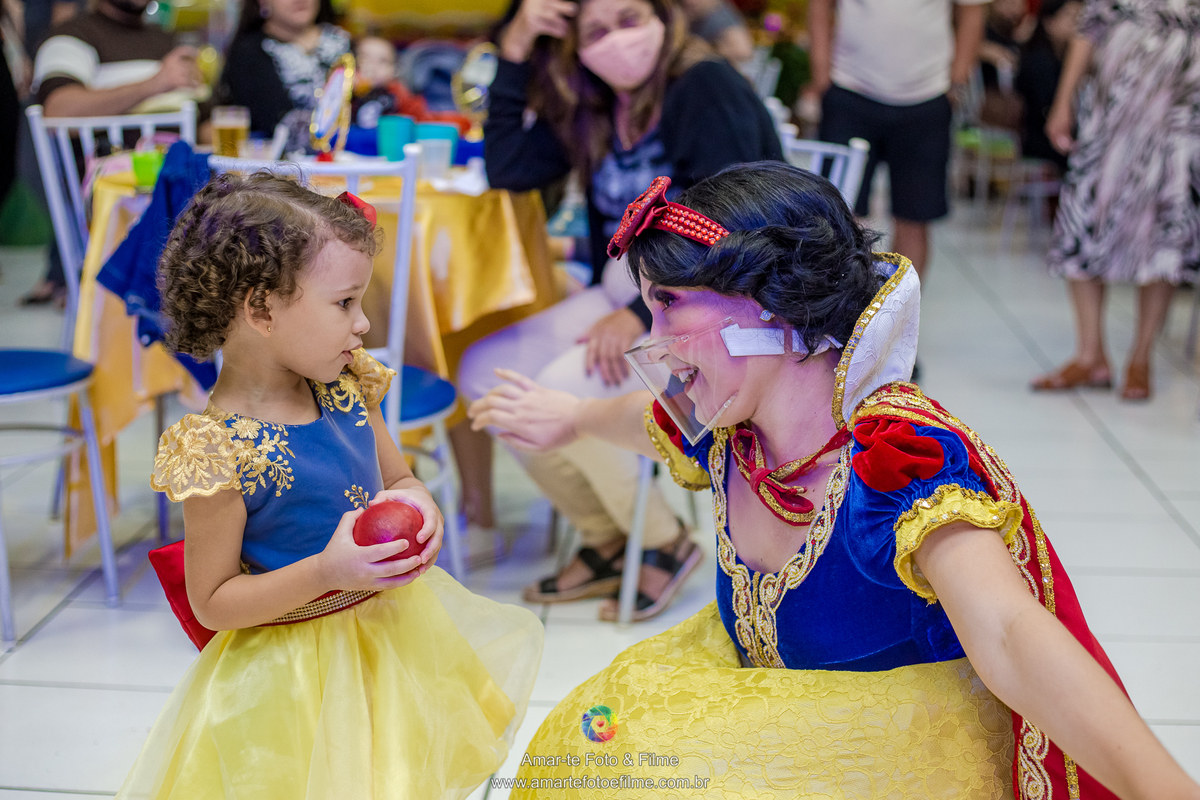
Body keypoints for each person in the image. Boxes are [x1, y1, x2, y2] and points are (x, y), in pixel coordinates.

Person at [468, 163, 1200, 799]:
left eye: (668, 303)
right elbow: (642, 420)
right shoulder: (731, 429)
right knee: (586, 752)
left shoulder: (895, 457)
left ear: (769, 304)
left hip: (896, 758)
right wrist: (570, 418)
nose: (651, 337)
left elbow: (1009, 632)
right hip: (770, 721)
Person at [115, 173, 543, 798]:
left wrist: (418, 505)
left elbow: (397, 476)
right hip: (291, 676)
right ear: (261, 309)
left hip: (392, 635)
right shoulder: (215, 449)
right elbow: (213, 600)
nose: (363, 324)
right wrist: (325, 572)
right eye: (344, 303)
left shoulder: (345, 385)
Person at [457, 0, 782, 623]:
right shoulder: (597, 104)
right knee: (484, 372)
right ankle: (606, 539)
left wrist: (640, 312)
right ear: (576, 47)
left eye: (631, 18)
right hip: (629, 291)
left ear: (665, 16)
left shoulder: (704, 87)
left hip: (722, 302)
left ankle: (663, 542)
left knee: (559, 388)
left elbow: (736, 223)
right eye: (597, 31)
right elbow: (508, 167)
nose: (618, 41)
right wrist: (517, 50)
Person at [1031, 0, 1200, 401]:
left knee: (1164, 237)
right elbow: (1087, 31)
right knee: (1082, 222)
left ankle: (1141, 356)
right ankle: (1091, 354)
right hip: (1109, 118)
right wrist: (1062, 102)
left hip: (1177, 125)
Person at [21, 0, 201, 306]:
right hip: (119, 198)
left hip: (186, 186)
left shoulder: (164, 40)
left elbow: (204, 122)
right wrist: (156, 82)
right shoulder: (70, 36)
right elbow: (58, 111)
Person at [807, 0, 988, 282]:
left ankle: (898, 319)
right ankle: (844, 316)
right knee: (839, 215)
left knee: (915, 218)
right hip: (849, 90)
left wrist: (957, 81)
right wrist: (821, 74)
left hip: (927, 95)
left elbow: (972, 12)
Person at [217, 0, 349, 146]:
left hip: (358, 162)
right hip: (283, 165)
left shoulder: (345, 43)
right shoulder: (248, 53)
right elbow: (276, 123)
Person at [1014, 0, 1083, 172]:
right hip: (1041, 138)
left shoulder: (1061, 58)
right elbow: (1046, 107)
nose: (1076, 24)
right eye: (1069, 16)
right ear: (1049, 22)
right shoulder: (1038, 61)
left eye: (1078, 17)